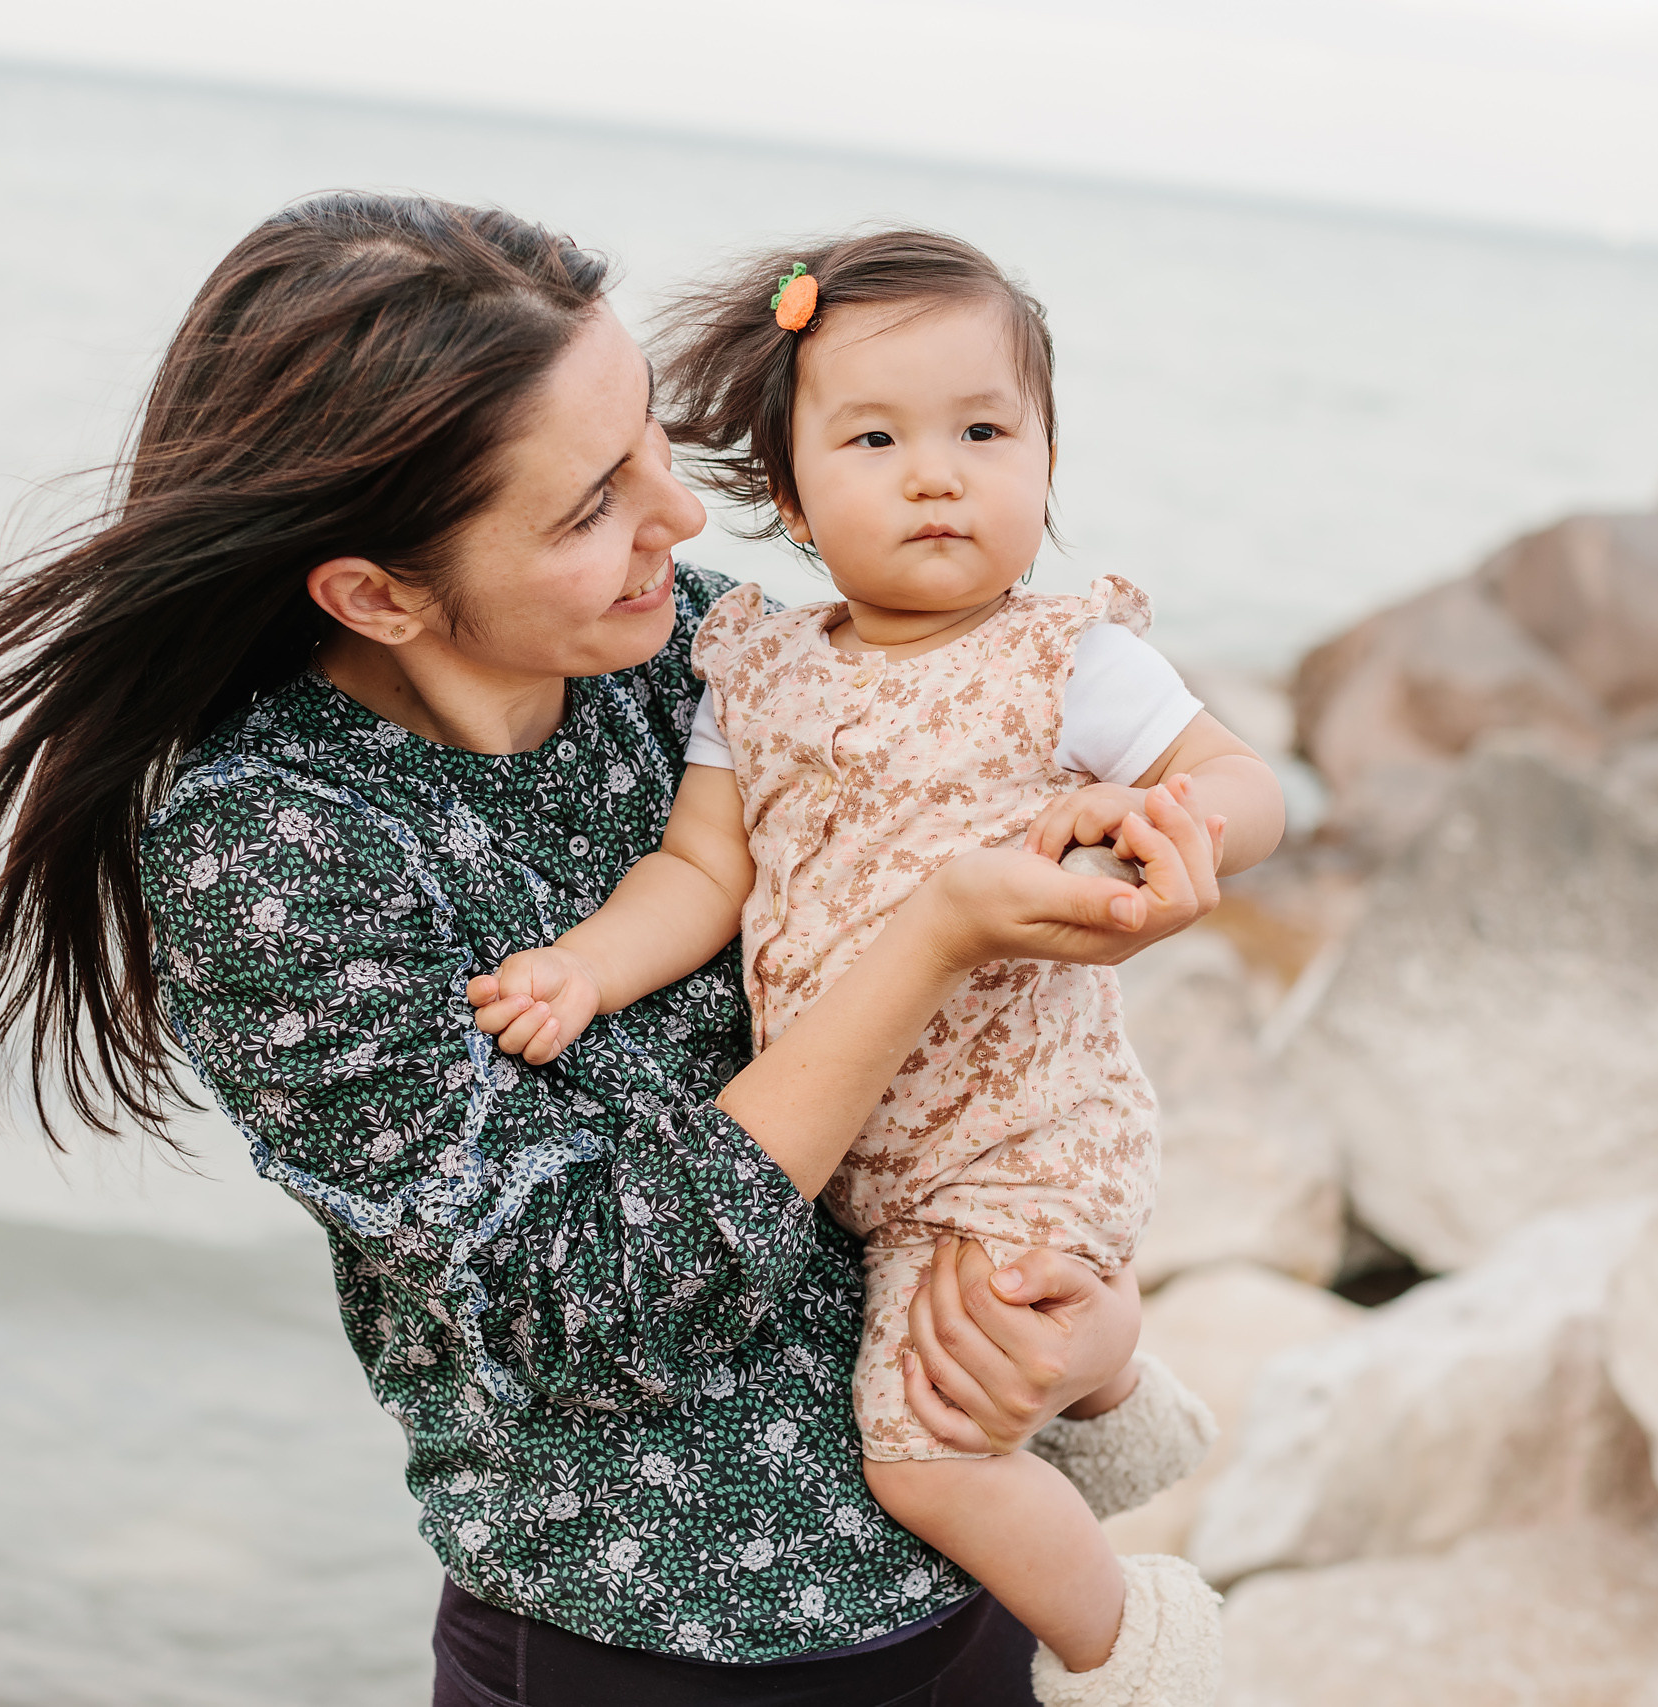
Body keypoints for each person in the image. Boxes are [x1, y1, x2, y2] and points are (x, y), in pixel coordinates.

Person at [0, 193, 1227, 1705]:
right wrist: (932, 939)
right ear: (379, 592)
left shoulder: (693, 648)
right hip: (652, 1654)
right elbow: (579, 1299)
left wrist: (1089, 1342)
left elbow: (964, 1093)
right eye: (590, 504)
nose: (680, 520)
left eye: (648, 448)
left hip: (969, 1602)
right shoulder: (275, 848)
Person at [463, 230, 1287, 1706]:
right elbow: (701, 875)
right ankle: (1117, 1407)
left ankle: (1141, 1652)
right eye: (876, 437)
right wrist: (587, 969)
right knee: (984, 1376)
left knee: (926, 1456)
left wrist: (1170, 841)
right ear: (787, 494)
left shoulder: (1066, 660)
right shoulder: (755, 668)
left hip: (1014, 1140)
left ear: (1045, 457)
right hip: (850, 1159)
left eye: (985, 432)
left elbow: (1243, 781)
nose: (937, 474)